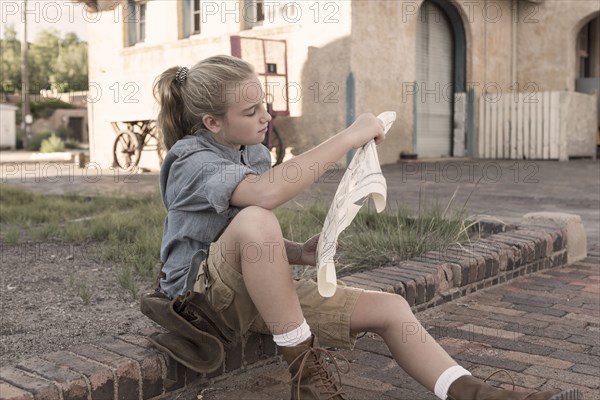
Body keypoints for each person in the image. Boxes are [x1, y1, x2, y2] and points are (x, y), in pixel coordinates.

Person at [151, 54, 582, 400]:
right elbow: (260, 204)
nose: (266, 116)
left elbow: (238, 237)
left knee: (392, 309)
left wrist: (298, 251)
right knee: (259, 213)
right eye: (251, 111)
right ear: (212, 122)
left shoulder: (251, 151)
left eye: (265, 103)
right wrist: (347, 137)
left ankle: (473, 392)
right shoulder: (191, 161)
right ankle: (309, 380)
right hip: (199, 305)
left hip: (244, 294)